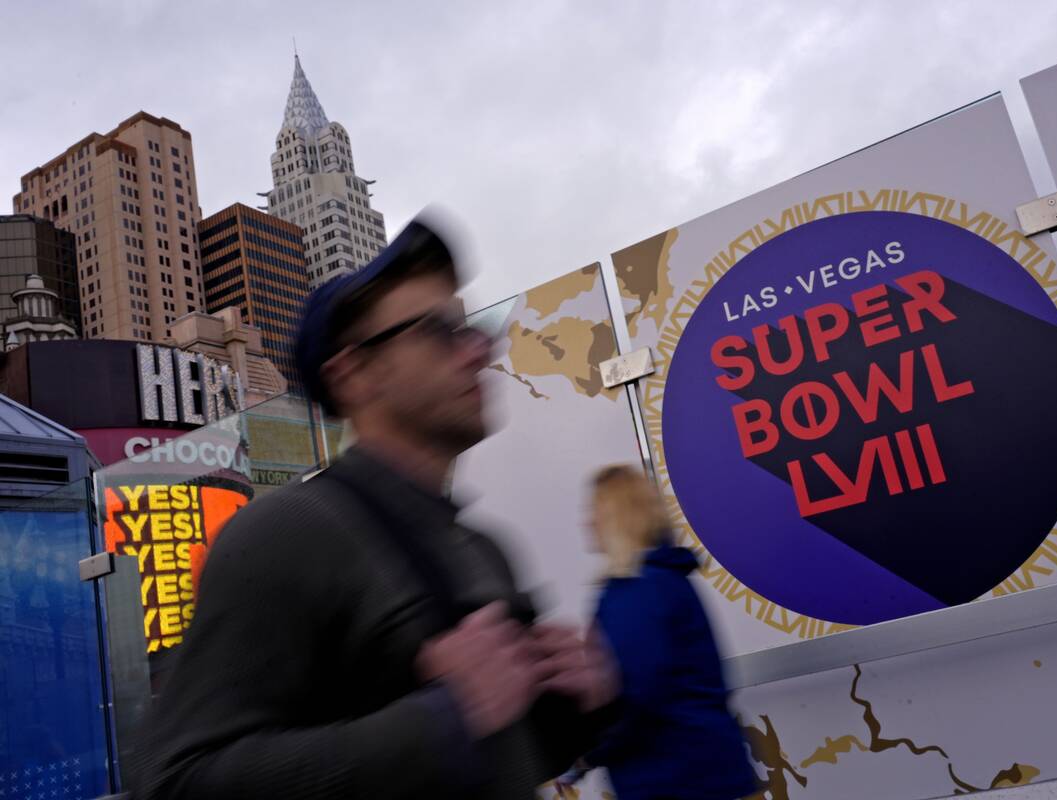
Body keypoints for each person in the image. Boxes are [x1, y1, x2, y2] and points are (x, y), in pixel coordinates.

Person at [133, 216, 619, 799]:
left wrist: (573, 711)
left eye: (473, 331)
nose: (475, 353)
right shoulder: (285, 536)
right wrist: (442, 720)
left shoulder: (483, 548)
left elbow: (494, 758)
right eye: (439, 332)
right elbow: (174, 783)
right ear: (353, 375)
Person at [560, 465, 757, 799]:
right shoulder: (671, 580)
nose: (586, 523)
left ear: (615, 517)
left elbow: (637, 695)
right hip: (709, 767)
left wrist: (586, 755)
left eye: (593, 511)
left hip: (670, 777)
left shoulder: (634, 591)